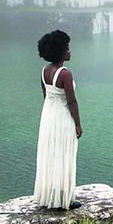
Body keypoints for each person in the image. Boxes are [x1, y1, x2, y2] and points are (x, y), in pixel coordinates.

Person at [33, 30, 83, 210]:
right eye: (67, 48)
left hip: (48, 116)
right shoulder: (65, 74)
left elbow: (46, 95)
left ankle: (48, 196)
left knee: (50, 154)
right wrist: (77, 124)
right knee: (64, 154)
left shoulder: (44, 71)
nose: (70, 51)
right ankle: (64, 199)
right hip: (63, 117)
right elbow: (71, 101)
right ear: (60, 51)